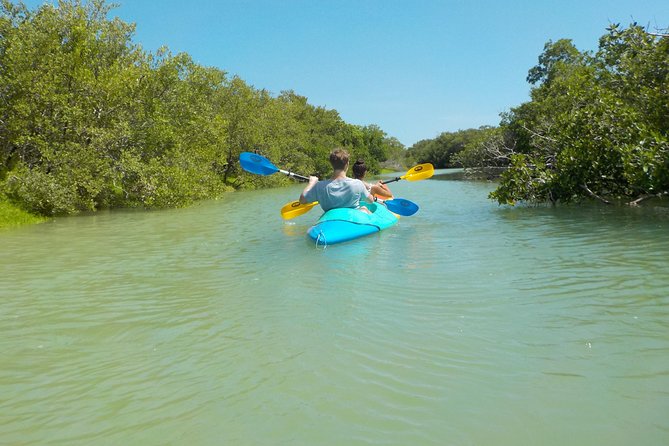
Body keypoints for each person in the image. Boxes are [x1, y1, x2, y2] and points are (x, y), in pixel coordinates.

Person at [299, 149, 375, 212]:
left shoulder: (319, 186)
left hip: (331, 219)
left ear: (332, 164)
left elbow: (302, 200)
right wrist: (368, 189)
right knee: (364, 209)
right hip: (353, 219)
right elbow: (370, 201)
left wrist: (312, 183)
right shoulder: (357, 184)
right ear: (347, 164)